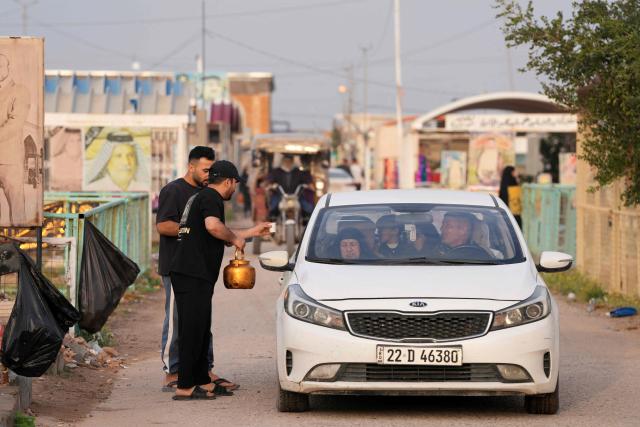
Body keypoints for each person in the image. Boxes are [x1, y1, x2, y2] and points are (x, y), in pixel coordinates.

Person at [169, 160, 271, 400]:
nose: (234, 189)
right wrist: (236, 240)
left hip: (194, 273)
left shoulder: (202, 197)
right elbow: (214, 227)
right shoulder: (211, 198)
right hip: (191, 272)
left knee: (201, 328)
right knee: (192, 329)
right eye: (234, 184)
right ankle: (185, 386)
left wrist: (251, 232)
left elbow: (217, 231)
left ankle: (203, 380)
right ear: (228, 181)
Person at [156, 146, 232, 392]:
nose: (210, 174)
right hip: (177, 265)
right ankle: (172, 371)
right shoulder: (173, 190)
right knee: (178, 320)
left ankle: (204, 371)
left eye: (212, 170)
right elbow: (163, 226)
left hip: (200, 268)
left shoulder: (207, 193)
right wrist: (191, 229)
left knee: (200, 321)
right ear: (191, 167)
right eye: (205, 170)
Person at [0, 53, 29, 225]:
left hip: (10, 161)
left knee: (17, 212)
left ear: (7, 68)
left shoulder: (20, 91)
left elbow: (15, 124)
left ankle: (20, 247)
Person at [85, 131, 149, 191]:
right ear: (107, 162)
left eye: (130, 155)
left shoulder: (145, 188)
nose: (126, 162)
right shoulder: (92, 189)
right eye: (118, 156)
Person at [267, 155, 313, 220]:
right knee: (272, 208)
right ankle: (272, 221)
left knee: (308, 208)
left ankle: (307, 221)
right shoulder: (276, 172)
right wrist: (271, 186)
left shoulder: (298, 172)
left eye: (289, 161)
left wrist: (308, 186)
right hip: (280, 195)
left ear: (292, 162)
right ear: (282, 162)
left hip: (296, 196)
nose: (287, 163)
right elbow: (270, 182)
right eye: (286, 161)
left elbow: (307, 182)